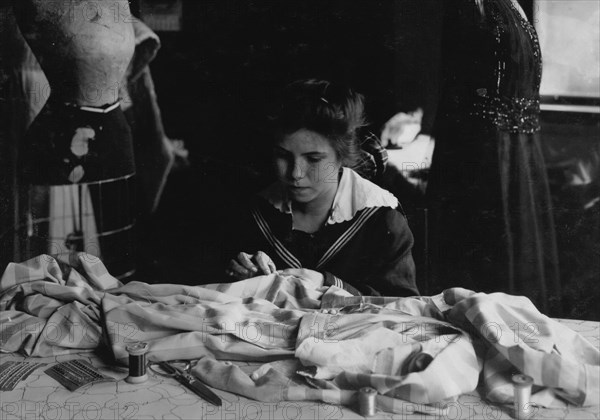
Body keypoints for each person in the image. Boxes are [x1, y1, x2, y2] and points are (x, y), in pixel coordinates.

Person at [426, 0, 561, 314]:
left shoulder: (513, 6)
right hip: (485, 154)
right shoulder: (469, 7)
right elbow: (455, 96)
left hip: (518, 151)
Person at [225, 79, 418, 297]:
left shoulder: (382, 218)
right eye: (283, 156)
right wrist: (243, 276)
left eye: (314, 159)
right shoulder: (259, 209)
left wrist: (327, 284)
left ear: (341, 157)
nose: (296, 173)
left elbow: (404, 305)